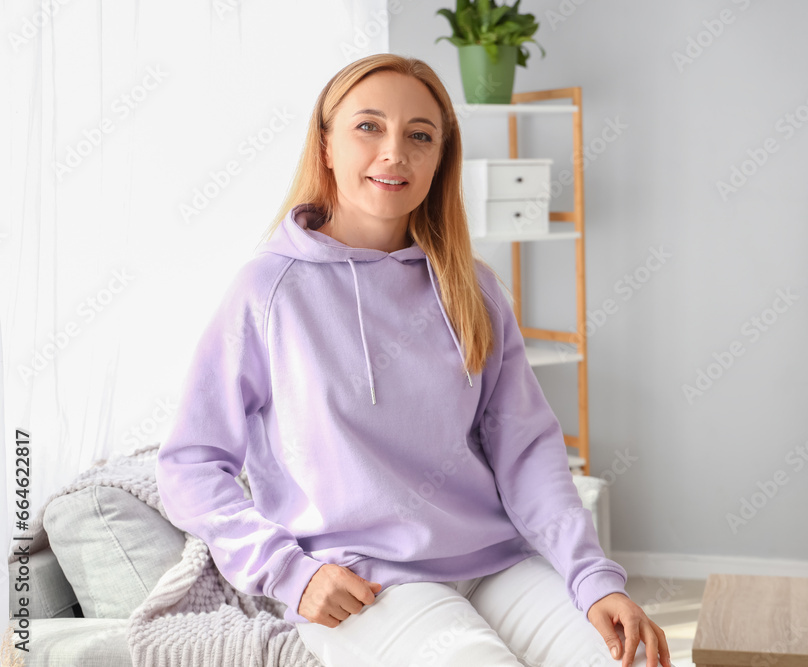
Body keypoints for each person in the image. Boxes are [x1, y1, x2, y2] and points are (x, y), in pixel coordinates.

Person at [155, 53, 672, 667]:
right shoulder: (267, 291)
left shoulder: (472, 288)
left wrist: (594, 579)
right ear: (325, 145)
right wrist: (287, 572)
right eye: (368, 126)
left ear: (439, 159)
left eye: (419, 135)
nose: (394, 152)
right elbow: (190, 463)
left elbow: (528, 451)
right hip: (363, 584)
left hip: (496, 562)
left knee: (632, 660)